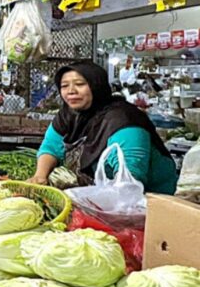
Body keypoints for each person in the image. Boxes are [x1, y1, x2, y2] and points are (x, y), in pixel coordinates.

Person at [29, 61, 177, 194]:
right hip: (105, 192)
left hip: (152, 201)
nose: (71, 91)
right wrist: (40, 176)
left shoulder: (123, 120)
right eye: (64, 86)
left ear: (96, 86)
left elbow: (130, 177)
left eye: (79, 84)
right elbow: (51, 147)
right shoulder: (69, 114)